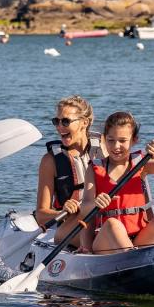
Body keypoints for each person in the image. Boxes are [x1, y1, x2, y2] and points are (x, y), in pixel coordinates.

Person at [78, 111, 154, 254]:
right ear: (104, 140)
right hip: (106, 240)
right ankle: (133, 261)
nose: (116, 146)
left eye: (123, 141)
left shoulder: (140, 163)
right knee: (113, 224)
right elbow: (85, 206)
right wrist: (95, 203)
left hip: (138, 239)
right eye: (111, 140)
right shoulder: (94, 169)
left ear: (134, 140)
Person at [35, 95, 101, 246]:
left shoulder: (105, 147)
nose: (59, 127)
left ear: (85, 122)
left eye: (65, 121)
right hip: (71, 225)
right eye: (56, 121)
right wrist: (62, 213)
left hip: (103, 219)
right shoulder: (50, 161)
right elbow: (40, 214)